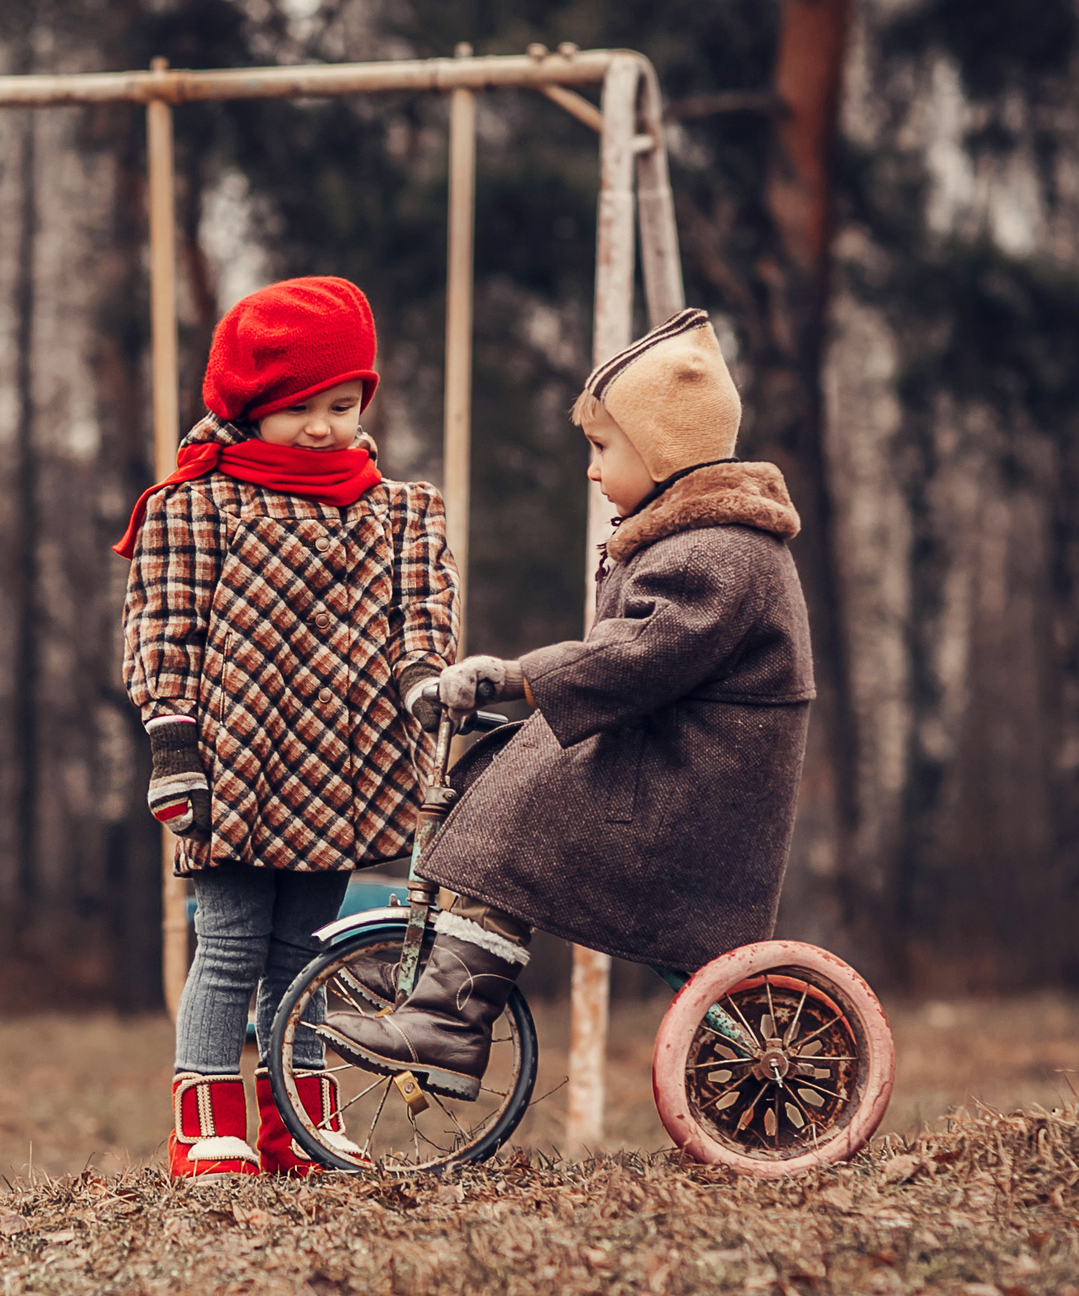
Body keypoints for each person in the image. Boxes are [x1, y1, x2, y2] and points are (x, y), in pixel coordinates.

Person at [320, 307, 814, 1093]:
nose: (591, 469)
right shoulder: (685, 539)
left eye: (601, 447)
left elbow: (639, 656)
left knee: (524, 801)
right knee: (502, 772)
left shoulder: (721, 553)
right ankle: (440, 985)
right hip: (664, 765)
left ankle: (448, 1018)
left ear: (663, 450)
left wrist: (516, 675)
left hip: (695, 797)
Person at [117, 276, 457, 1176]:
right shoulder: (198, 505)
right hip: (237, 767)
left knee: (306, 951)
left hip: (342, 766)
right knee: (229, 945)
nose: (322, 427)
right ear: (247, 405)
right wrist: (173, 746)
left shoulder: (397, 511)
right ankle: (207, 1120)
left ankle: (299, 1118)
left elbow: (425, 611)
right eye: (297, 406)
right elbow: (164, 626)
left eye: (341, 405)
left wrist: (426, 681)